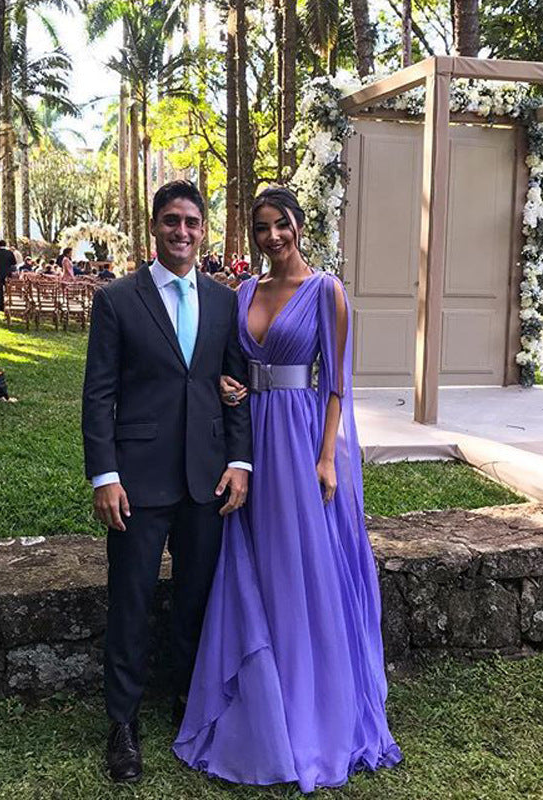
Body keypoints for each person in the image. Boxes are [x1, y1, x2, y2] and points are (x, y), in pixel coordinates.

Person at [173, 185, 402, 792]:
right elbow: (238, 365)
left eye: (282, 225)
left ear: (299, 225)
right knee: (258, 560)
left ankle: (312, 702)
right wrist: (233, 388)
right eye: (261, 228)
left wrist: (328, 457)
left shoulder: (328, 291)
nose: (273, 236)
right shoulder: (245, 291)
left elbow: (337, 383)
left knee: (306, 564)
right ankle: (259, 697)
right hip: (253, 440)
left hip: (302, 440)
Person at [82, 180, 252, 784]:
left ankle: (189, 702)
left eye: (192, 222)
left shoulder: (225, 301)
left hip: (207, 481)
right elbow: (99, 395)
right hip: (137, 481)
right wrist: (105, 474)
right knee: (130, 603)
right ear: (154, 226)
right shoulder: (117, 300)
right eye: (171, 221)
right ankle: (122, 724)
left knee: (196, 601)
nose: (182, 231)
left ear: (204, 230)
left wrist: (241, 462)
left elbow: (234, 390)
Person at [0, 239, 16, 313]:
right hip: (7, 274)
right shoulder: (10, 253)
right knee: (8, 290)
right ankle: (9, 304)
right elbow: (13, 263)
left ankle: (0, 305)